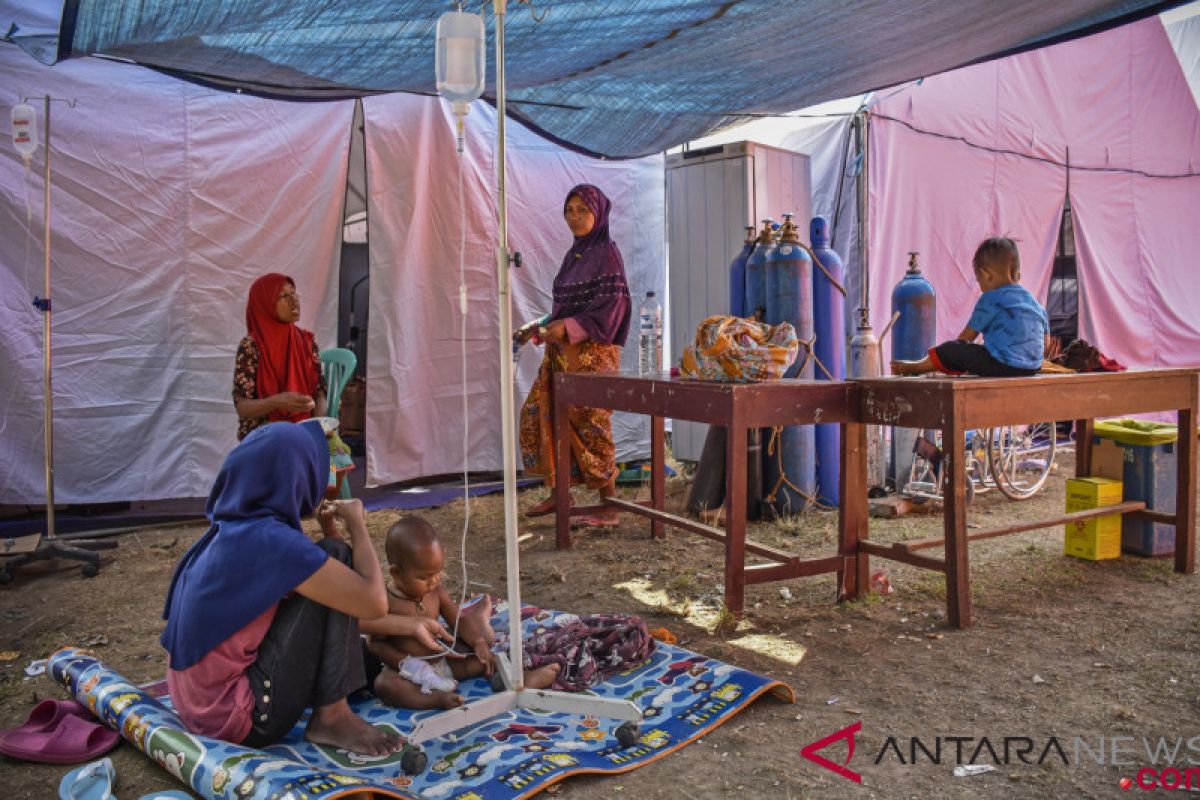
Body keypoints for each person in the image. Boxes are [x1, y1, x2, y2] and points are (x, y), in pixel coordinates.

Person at [160, 421, 441, 755]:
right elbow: (372, 602)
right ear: (294, 477)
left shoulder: (231, 531)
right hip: (242, 716)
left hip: (200, 707)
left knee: (359, 652)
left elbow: (331, 601)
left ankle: (336, 705)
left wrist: (329, 533)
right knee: (335, 555)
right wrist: (357, 526)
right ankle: (332, 718)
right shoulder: (273, 543)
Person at [516, 184, 631, 528]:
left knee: (591, 422)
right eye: (570, 210)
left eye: (583, 210)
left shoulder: (607, 254)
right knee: (542, 411)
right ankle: (560, 491)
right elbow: (563, 309)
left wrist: (567, 328)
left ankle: (609, 503)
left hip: (592, 354)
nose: (575, 217)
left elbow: (613, 308)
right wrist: (533, 326)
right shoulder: (575, 254)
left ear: (599, 213)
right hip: (563, 354)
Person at [366, 516, 560, 710]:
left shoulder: (435, 592)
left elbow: (458, 619)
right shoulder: (385, 601)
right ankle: (436, 700)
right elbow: (375, 643)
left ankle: (516, 680)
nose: (433, 581)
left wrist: (477, 642)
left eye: (437, 573)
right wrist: (408, 666)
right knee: (385, 685)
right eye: (423, 577)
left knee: (486, 656)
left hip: (445, 660)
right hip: (410, 673)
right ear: (396, 572)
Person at [891, 237, 1049, 377]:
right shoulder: (1036, 304)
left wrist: (957, 356)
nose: (980, 285)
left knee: (953, 349)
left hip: (1002, 366)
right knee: (978, 350)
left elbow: (966, 338)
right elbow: (1045, 343)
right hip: (1032, 367)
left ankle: (919, 367)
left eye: (979, 280)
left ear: (986, 275)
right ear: (1017, 274)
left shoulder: (990, 298)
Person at [233, 273, 327, 441]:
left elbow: (319, 394)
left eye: (294, 292)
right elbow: (243, 407)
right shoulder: (251, 346)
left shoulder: (307, 342)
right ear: (266, 304)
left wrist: (318, 426)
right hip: (264, 432)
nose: (294, 299)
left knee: (338, 459)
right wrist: (278, 402)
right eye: (284, 295)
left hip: (305, 429)